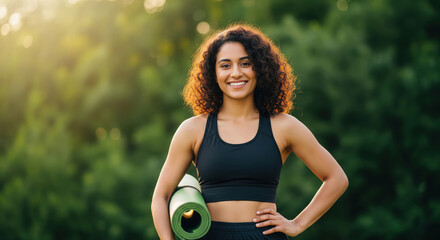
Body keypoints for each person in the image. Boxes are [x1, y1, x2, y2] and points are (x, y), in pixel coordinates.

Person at [151, 24, 348, 240]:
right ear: (213, 73)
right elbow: (161, 196)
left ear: (261, 68)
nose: (236, 73)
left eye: (245, 63)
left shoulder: (284, 126)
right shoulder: (192, 130)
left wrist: (297, 224)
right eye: (225, 65)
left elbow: (336, 178)